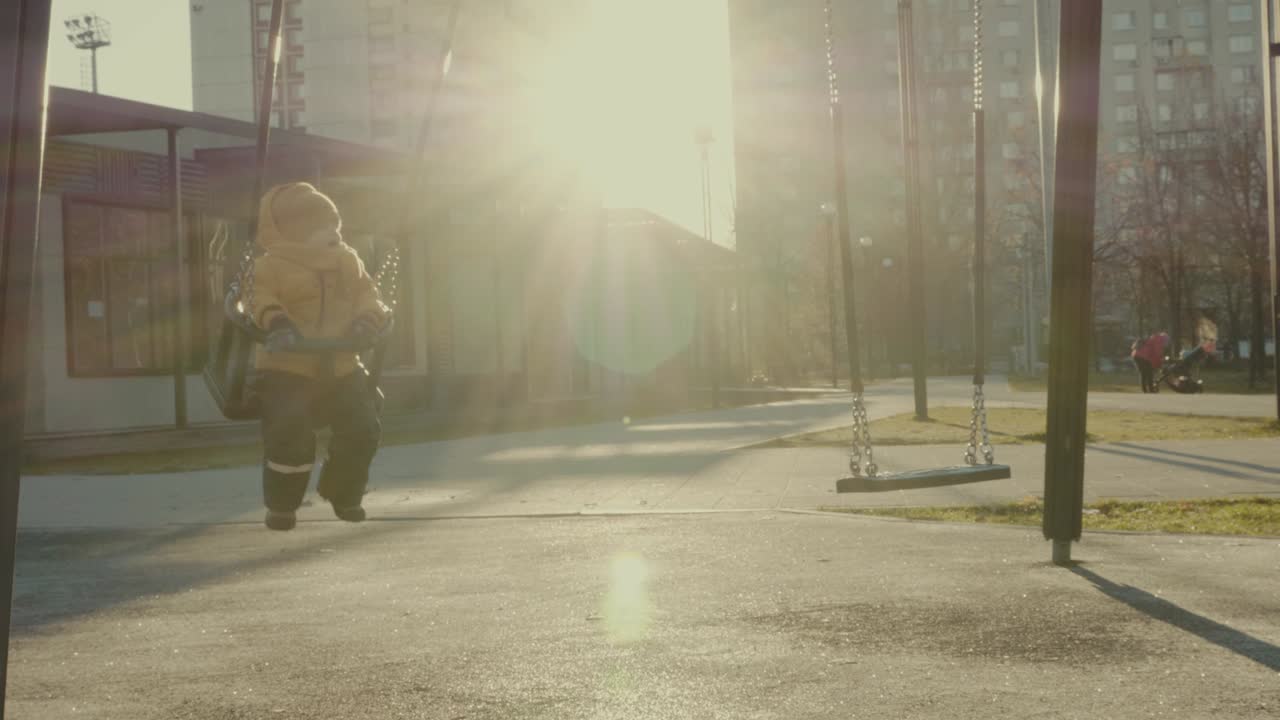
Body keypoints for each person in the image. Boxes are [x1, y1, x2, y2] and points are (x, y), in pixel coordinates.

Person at [249, 182, 390, 531]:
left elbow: (367, 295)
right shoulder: (271, 264)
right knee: (291, 435)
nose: (330, 232)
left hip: (342, 363)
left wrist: (365, 321)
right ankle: (282, 504)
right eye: (318, 226)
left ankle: (343, 492)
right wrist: (278, 323)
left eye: (333, 223)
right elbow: (259, 298)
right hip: (287, 364)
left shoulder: (347, 260)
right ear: (291, 230)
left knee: (363, 427)